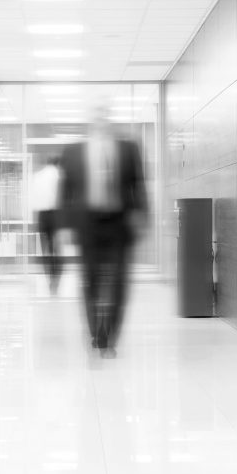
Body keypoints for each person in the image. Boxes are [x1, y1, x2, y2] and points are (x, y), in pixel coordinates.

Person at [59, 104, 148, 358]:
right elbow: (66, 192)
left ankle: (110, 335)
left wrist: (142, 215)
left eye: (104, 115)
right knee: (90, 281)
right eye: (96, 115)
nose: (101, 119)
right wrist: (65, 226)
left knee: (119, 282)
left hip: (119, 223)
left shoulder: (128, 148)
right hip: (87, 224)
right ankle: (95, 332)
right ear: (90, 121)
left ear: (110, 120)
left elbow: (138, 186)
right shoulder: (74, 151)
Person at [31, 156, 64, 293]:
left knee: (46, 247)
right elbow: (62, 198)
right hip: (56, 214)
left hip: (42, 215)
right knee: (56, 247)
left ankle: (49, 276)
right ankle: (56, 276)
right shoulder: (59, 175)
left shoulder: (37, 176)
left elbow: (33, 198)